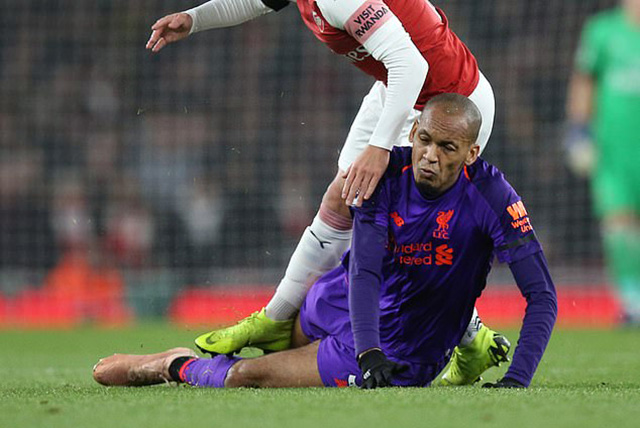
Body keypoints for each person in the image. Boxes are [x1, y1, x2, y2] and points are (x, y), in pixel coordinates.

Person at [93, 94, 557, 389]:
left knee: (248, 377)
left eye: (447, 148)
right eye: (425, 140)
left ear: (472, 153)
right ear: (414, 131)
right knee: (279, 349)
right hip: (343, 302)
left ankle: (168, 364)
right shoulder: (386, 173)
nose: (429, 157)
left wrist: (517, 380)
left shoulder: (493, 198)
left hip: (403, 348)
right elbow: (365, 270)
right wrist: (367, 350)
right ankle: (469, 340)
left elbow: (542, 296)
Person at [146, 0, 500, 384]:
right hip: (400, 88)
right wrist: (195, 19)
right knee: (344, 195)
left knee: (389, 222)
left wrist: (380, 148)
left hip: (446, 105)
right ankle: (276, 316)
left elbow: (411, 64)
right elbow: (253, 2)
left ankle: (471, 335)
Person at [565, 0, 640, 324]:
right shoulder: (602, 31)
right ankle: (633, 300)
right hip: (613, 151)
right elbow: (584, 81)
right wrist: (578, 132)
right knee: (617, 223)